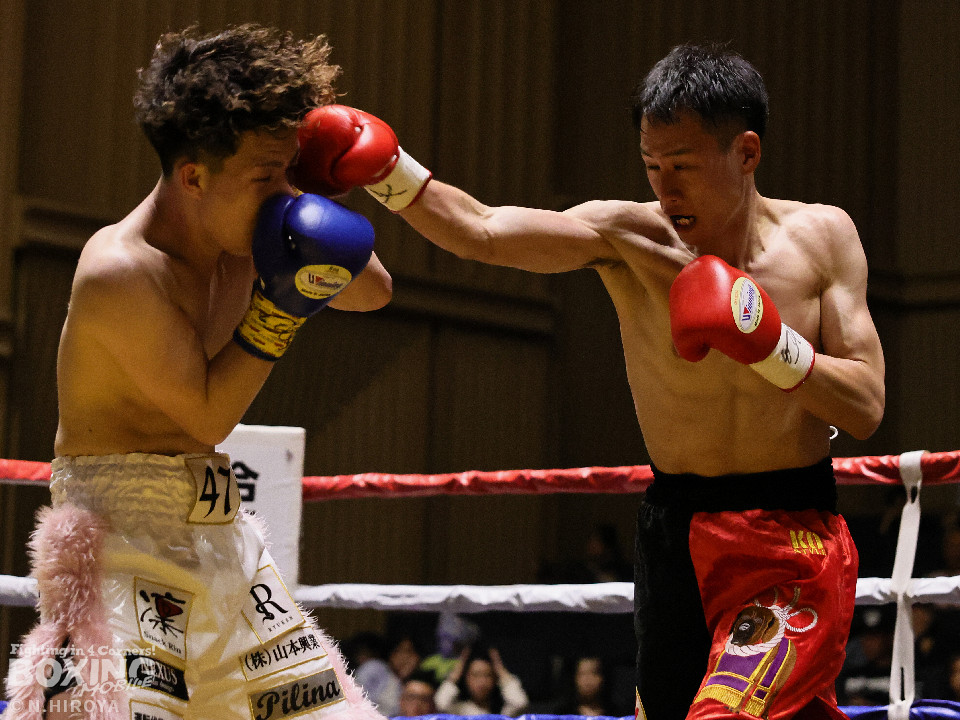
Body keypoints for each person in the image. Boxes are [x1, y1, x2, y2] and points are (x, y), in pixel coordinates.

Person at [291, 42, 885, 720]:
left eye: (684, 166)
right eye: (652, 166)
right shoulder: (629, 239)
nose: (666, 189)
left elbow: (866, 404)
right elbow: (482, 230)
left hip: (789, 533)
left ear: (746, 153)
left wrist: (770, 346)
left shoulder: (822, 239)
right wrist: (389, 171)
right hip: (675, 534)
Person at [3, 24, 392, 720]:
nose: (281, 194)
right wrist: (281, 308)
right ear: (194, 176)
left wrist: (317, 192)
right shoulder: (122, 271)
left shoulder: (253, 231)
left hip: (226, 545)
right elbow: (209, 415)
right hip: (122, 552)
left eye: (289, 171)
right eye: (265, 175)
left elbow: (373, 291)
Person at [433, 646, 529, 716]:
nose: (482, 681)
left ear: (495, 679)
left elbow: (520, 703)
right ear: (466, 678)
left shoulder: (502, 713)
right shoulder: (459, 710)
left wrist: (500, 670)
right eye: (476, 675)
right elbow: (441, 703)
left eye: (487, 675)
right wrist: (457, 671)